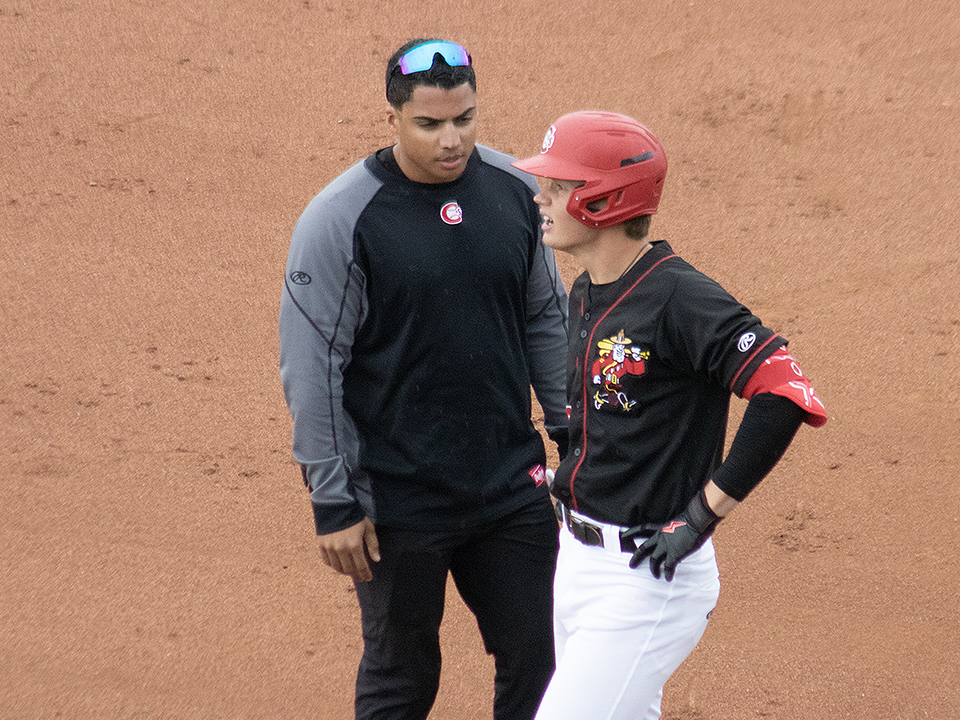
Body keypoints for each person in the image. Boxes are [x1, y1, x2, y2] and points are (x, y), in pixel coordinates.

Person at [279, 39, 569, 720]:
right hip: (397, 500)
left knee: (542, 656)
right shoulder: (340, 218)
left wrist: (571, 433)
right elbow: (313, 368)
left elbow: (545, 321)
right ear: (392, 119)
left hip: (509, 487)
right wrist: (332, 500)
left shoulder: (515, 190)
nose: (452, 140)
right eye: (430, 124)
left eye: (464, 119)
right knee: (404, 675)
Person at [510, 111, 828, 720]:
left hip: (646, 575)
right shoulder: (585, 289)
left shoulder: (680, 296)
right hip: (577, 563)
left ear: (604, 199)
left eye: (559, 185)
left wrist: (700, 516)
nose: (540, 196)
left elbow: (784, 393)